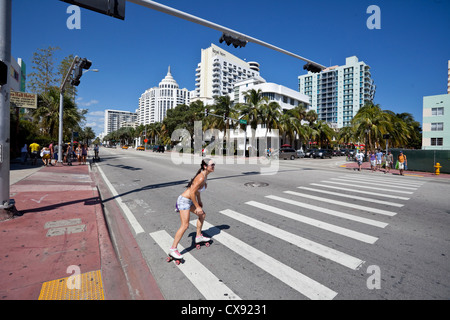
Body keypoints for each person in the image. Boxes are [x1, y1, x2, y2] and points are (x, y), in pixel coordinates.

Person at [169, 158, 215, 260]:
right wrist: (197, 207)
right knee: (185, 225)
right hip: (184, 201)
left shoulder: (205, 176)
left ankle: (198, 236)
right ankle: (173, 249)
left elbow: (197, 191)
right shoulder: (200, 178)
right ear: (205, 166)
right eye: (212, 165)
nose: (213, 166)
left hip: (189, 201)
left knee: (202, 215)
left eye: (213, 164)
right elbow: (191, 193)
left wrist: (199, 201)